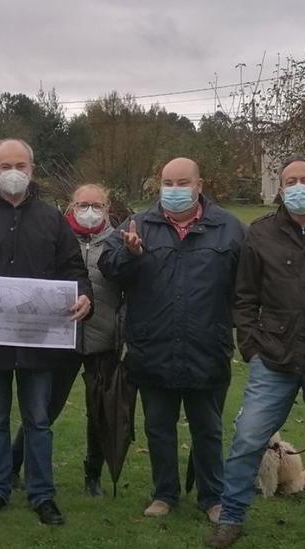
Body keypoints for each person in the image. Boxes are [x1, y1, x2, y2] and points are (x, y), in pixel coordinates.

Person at [206, 156, 305, 549]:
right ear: (280, 188)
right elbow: (244, 297)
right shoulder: (259, 233)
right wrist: (252, 348)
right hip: (274, 356)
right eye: (291, 180)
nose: (298, 186)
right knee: (247, 438)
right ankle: (231, 517)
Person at [0, 138, 93, 526]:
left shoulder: (51, 218)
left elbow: (74, 271)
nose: (14, 172)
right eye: (6, 165)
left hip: (39, 343)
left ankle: (42, 494)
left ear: (32, 170)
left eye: (21, 165)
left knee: (38, 420)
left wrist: (84, 297)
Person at [99, 158, 244, 522]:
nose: (174, 190)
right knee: (159, 427)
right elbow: (109, 268)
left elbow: (246, 286)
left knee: (207, 428)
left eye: (182, 183)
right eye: (168, 182)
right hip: (154, 346)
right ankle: (164, 493)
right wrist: (131, 254)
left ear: (199, 185)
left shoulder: (228, 228)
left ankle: (213, 497)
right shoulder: (138, 224)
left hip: (206, 347)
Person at [10, 183, 124, 497]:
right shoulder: (55, 238)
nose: (90, 211)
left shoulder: (118, 242)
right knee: (43, 409)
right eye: (82, 204)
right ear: (70, 206)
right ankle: (13, 465)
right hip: (59, 340)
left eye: (96, 205)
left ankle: (93, 475)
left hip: (104, 341)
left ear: (107, 207)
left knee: (100, 413)